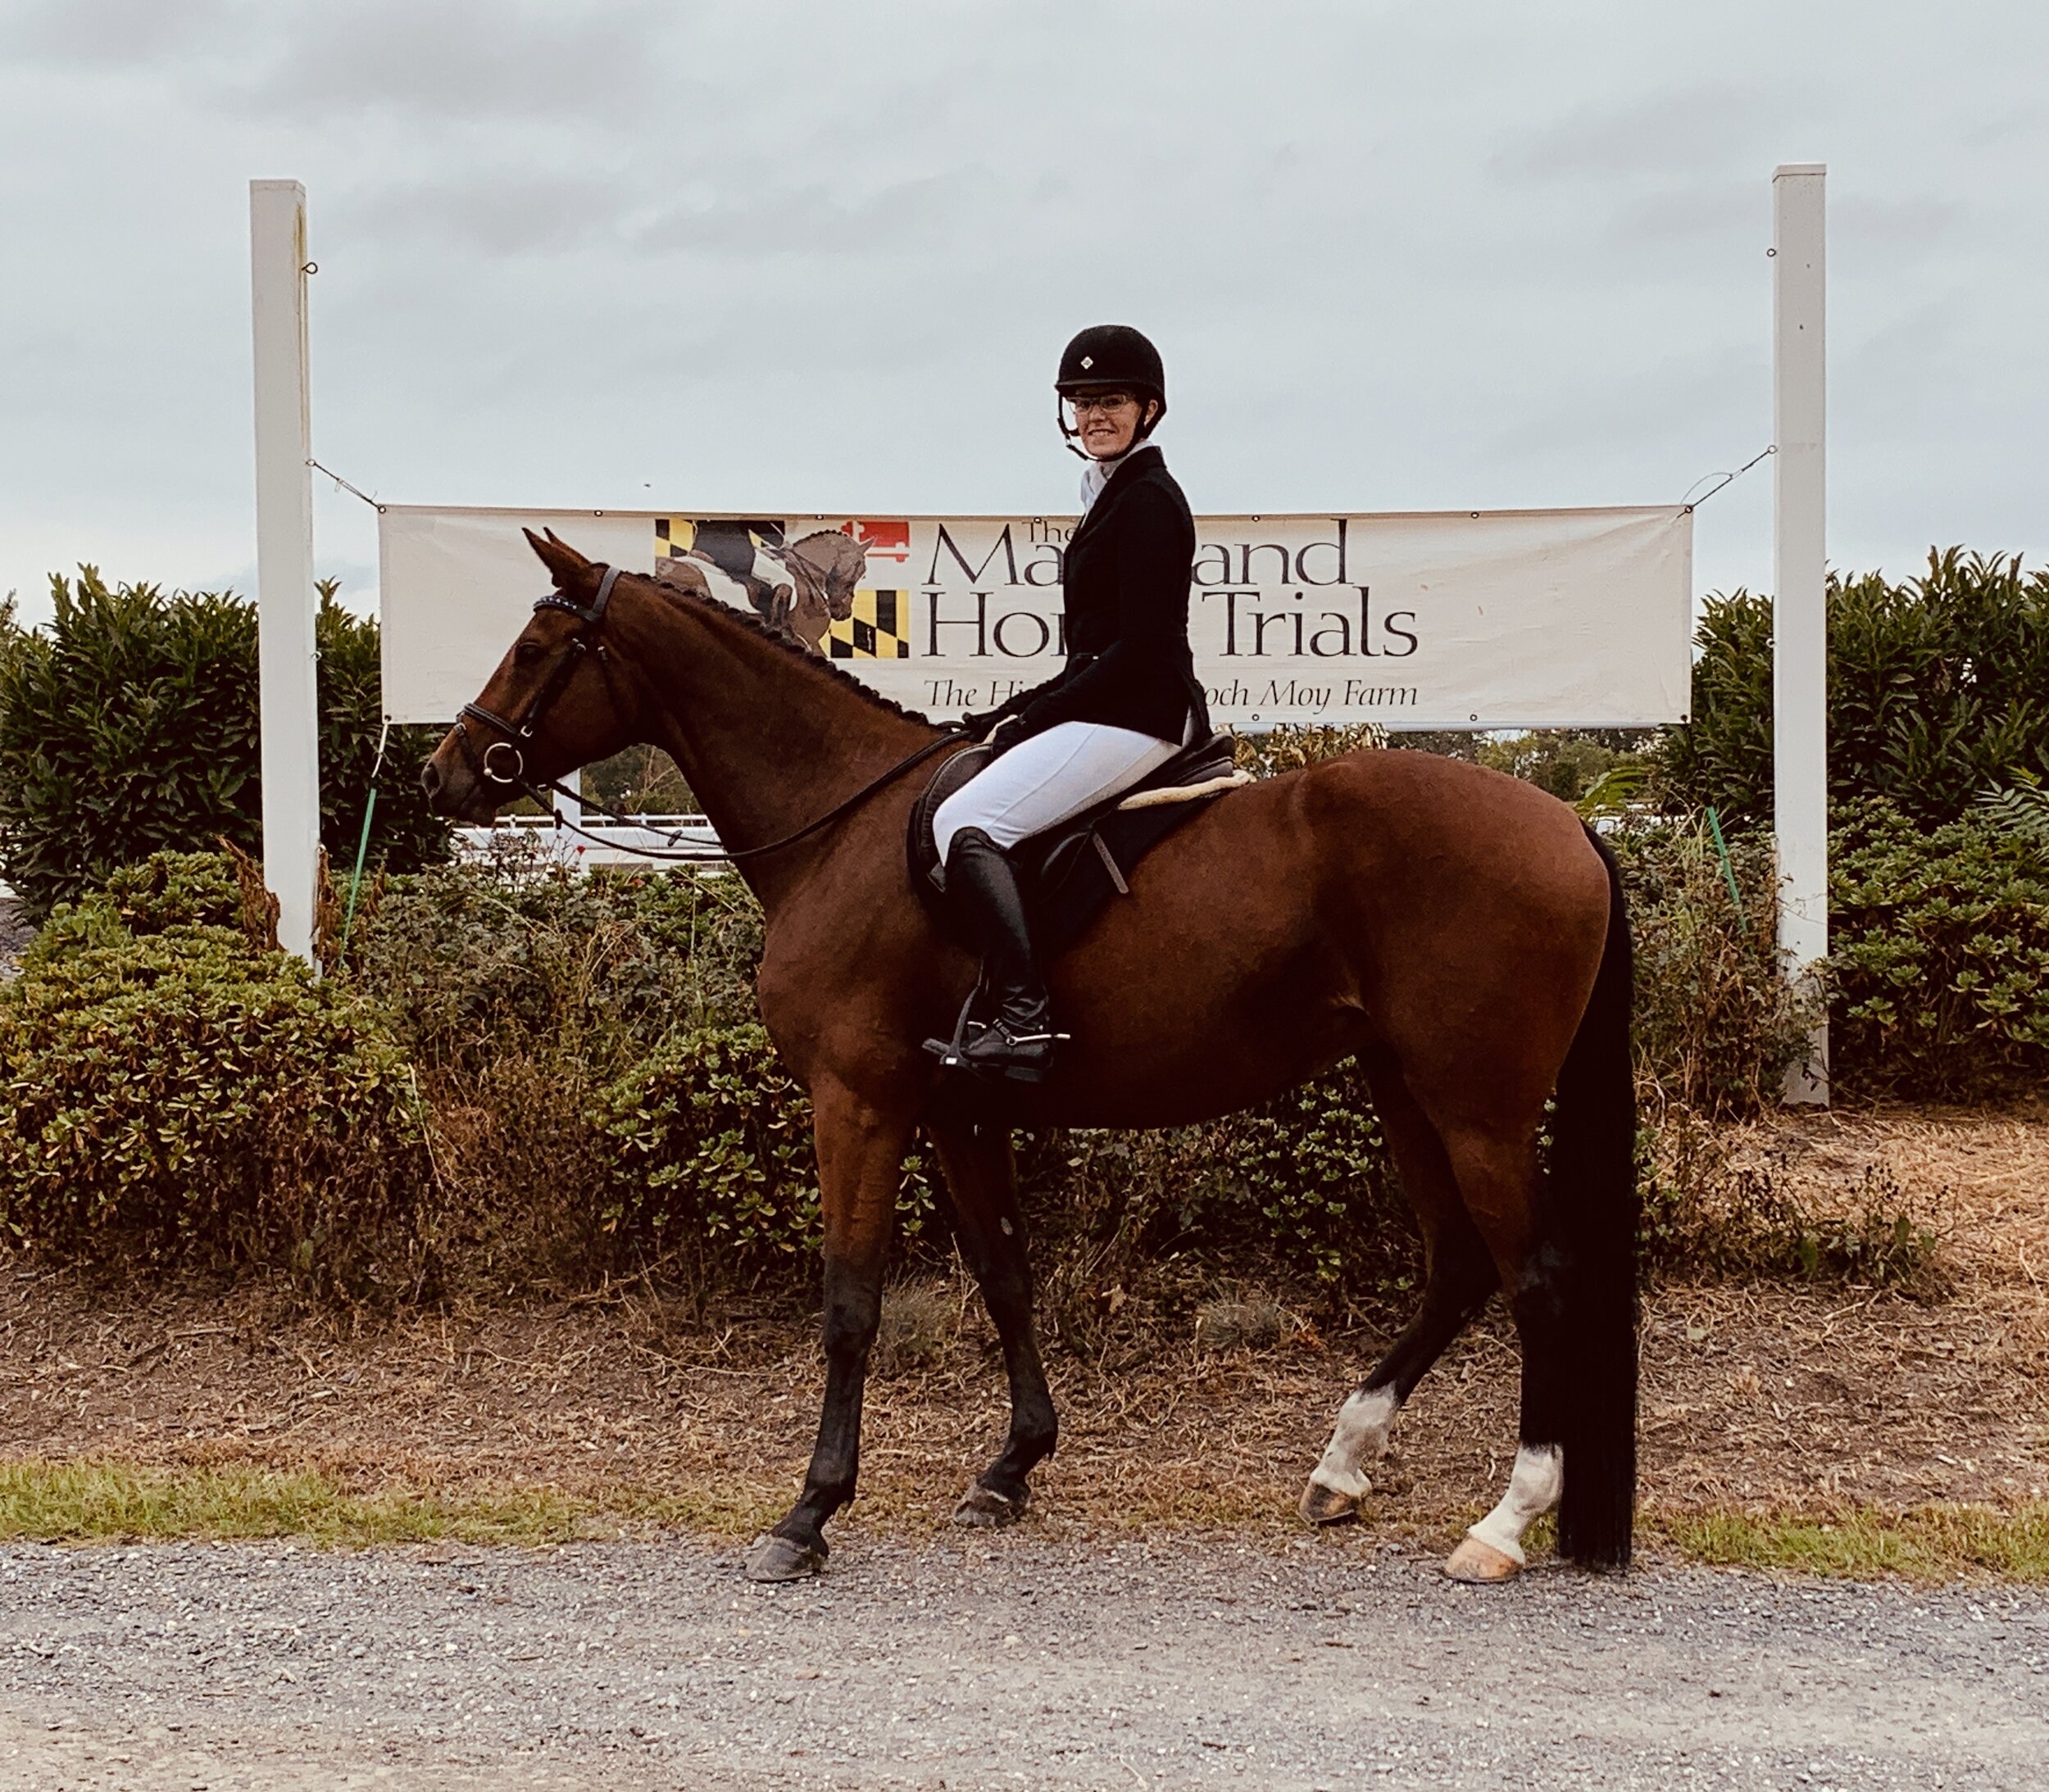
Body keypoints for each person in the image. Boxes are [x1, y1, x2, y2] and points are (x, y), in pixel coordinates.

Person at [929, 324, 1210, 1083]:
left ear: (1149, 409)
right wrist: (1014, 709)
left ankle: (1025, 1020)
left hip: (1143, 712)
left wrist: (1038, 712)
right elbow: (1092, 654)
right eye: (1082, 402)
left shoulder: (1149, 499)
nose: (1094, 416)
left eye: (1111, 400)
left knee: (968, 821)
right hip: (1114, 702)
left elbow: (1140, 650)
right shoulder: (1109, 494)